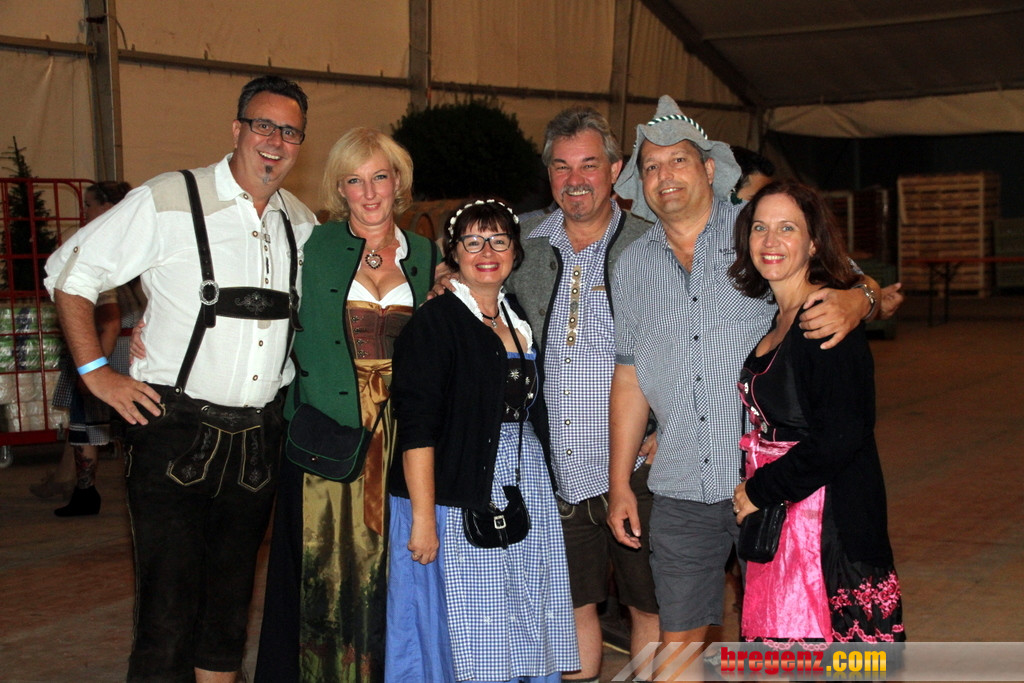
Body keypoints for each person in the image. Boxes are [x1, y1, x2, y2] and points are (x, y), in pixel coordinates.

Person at [605, 96, 898, 669]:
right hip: (682, 482)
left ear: (708, 168)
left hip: (773, 487)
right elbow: (631, 374)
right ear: (640, 184)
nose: (666, 175)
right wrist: (619, 482)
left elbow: (848, 276)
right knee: (679, 645)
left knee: (786, 639)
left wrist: (858, 300)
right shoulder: (632, 265)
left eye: (679, 160)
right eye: (651, 166)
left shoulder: (755, 233)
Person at [44, 74, 316, 682]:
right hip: (173, 431)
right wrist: (96, 373)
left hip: (260, 439)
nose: (275, 141)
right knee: (166, 615)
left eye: (290, 131)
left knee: (228, 613)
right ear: (237, 129)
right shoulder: (170, 197)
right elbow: (70, 273)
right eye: (263, 125)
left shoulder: (301, 223)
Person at [255, 127, 438, 682]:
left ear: (398, 181)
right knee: (326, 568)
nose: (370, 192)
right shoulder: (310, 246)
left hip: (403, 433)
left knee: (394, 566)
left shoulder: (427, 254)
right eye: (354, 181)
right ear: (339, 189)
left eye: (380, 176)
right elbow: (251, 290)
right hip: (328, 431)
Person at [386, 199, 578, 682]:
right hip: (456, 489)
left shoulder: (515, 316)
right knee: (475, 626)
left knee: (524, 615)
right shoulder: (434, 323)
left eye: (498, 240)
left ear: (515, 251)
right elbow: (417, 427)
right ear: (453, 253)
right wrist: (423, 519)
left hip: (522, 482)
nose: (487, 252)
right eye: (473, 242)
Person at [506, 106, 658, 681]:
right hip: (556, 469)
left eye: (590, 165)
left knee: (650, 604)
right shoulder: (520, 244)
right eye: (562, 167)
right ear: (548, 174)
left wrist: (671, 430)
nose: (575, 180)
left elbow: (695, 347)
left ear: (616, 170)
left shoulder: (652, 245)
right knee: (574, 606)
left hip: (638, 467)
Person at [728, 181, 905, 644]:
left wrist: (759, 489)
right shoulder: (782, 317)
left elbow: (842, 436)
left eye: (787, 228)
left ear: (813, 243)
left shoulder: (824, 319)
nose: (770, 241)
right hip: (784, 523)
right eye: (760, 228)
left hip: (829, 536)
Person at [34, 181, 136, 513]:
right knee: (128, 424)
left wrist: (94, 367)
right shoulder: (134, 241)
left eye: (90, 204)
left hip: (109, 348)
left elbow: (109, 317)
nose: (85, 211)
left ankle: (86, 492)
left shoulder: (103, 246)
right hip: (132, 347)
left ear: (107, 207)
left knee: (88, 421)